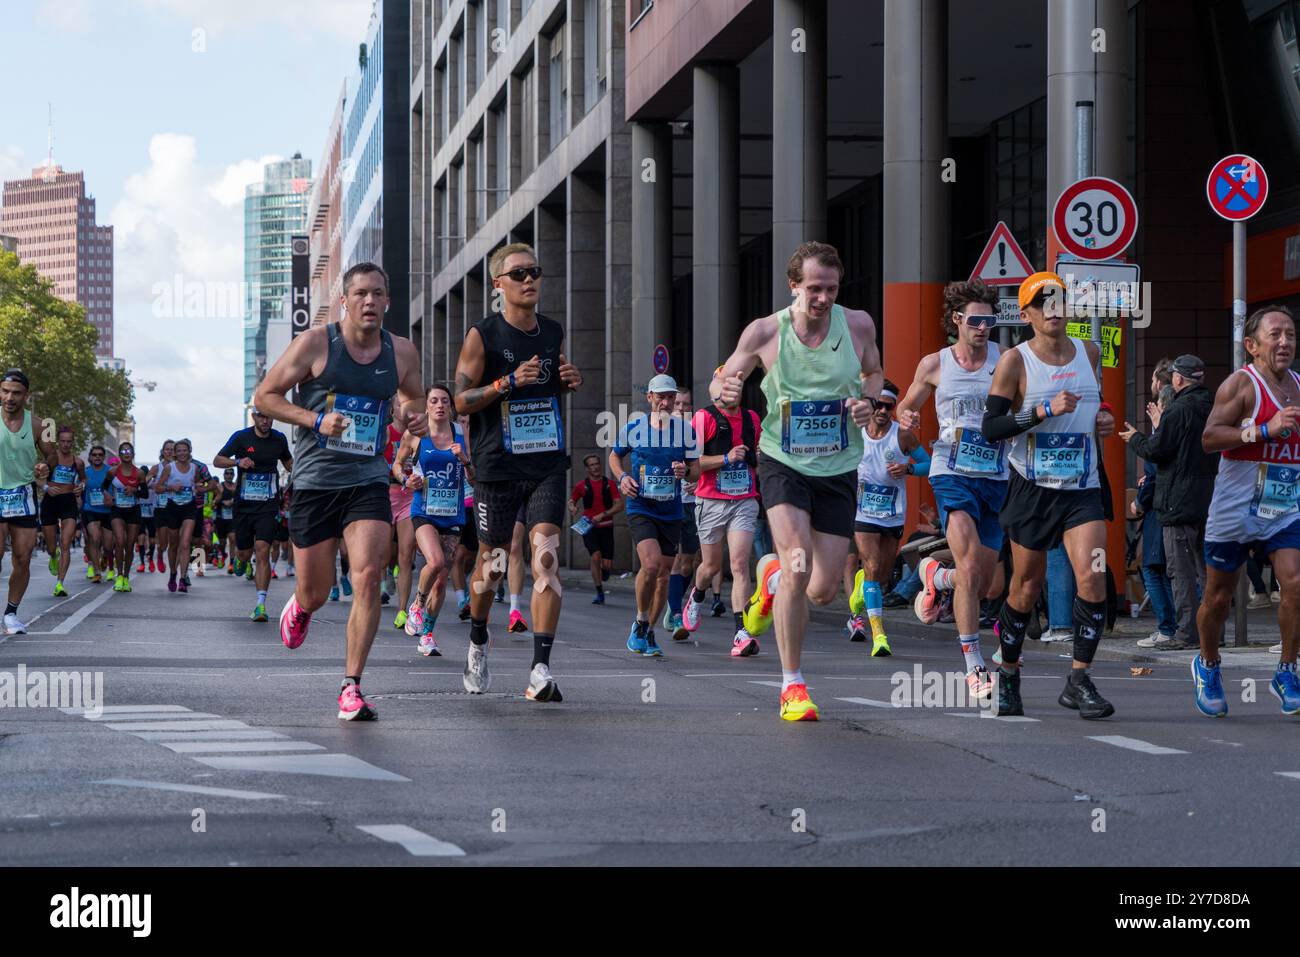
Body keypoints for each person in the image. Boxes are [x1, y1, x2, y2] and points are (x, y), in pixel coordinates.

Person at [255, 261, 426, 721]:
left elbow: (412, 397)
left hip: (367, 479)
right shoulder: (315, 344)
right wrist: (313, 420)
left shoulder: (402, 352)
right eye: (361, 294)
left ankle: (352, 686)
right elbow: (265, 397)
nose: (370, 302)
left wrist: (412, 415)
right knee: (317, 589)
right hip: (314, 481)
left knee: (369, 574)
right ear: (345, 302)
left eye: (377, 294)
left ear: (387, 302)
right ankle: (303, 606)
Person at [721, 241, 883, 721]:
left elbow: (874, 372)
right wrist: (726, 389)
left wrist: (869, 402)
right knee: (796, 565)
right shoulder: (766, 331)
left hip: (838, 467)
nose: (823, 298)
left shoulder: (858, 324)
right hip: (782, 463)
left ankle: (767, 580)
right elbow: (724, 379)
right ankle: (792, 686)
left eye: (831, 289)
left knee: (822, 590)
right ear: (794, 286)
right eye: (814, 289)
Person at [980, 272, 1117, 719]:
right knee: (1025, 585)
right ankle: (1010, 674)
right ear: (1027, 314)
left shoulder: (1089, 351)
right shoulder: (1015, 362)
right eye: (1043, 302)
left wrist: (1105, 419)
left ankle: (1079, 679)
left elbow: (1095, 401)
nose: (1053, 309)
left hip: (1083, 486)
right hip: (1032, 487)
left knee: (1093, 576)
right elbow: (992, 428)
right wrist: (1042, 410)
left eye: (1059, 300)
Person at [452, 243, 582, 702]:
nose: (529, 279)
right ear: (498, 284)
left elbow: (551, 385)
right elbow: (459, 401)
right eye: (519, 273)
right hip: (497, 466)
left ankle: (540, 669)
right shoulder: (482, 336)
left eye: (535, 271)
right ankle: (479, 638)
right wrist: (506, 383)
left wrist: (567, 378)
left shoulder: (552, 331)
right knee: (492, 566)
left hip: (546, 460)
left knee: (544, 554)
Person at [896, 279, 1007, 697]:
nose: (983, 328)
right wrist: (906, 428)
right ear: (958, 320)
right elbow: (906, 414)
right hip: (951, 470)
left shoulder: (1007, 359)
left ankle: (935, 576)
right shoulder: (935, 364)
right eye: (975, 321)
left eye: (989, 321)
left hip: (996, 475)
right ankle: (974, 665)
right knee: (971, 563)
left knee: (982, 583)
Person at [1192, 305, 1300, 717]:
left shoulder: (1298, 386)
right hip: (1235, 509)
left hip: (1283, 506)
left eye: (1290, 333)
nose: (1285, 342)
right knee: (1218, 599)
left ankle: (1287, 671)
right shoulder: (1241, 384)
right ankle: (1208, 663)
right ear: (1252, 346)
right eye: (1275, 335)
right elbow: (1209, 438)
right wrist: (1264, 430)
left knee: (1294, 582)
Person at [1120, 353, 1216, 651]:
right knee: (1205, 570)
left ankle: (1187, 632)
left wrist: (1135, 438)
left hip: (1177, 501)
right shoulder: (1213, 406)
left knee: (1181, 572)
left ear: (1177, 379)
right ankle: (1213, 631)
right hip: (1207, 498)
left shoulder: (1177, 410)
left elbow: (1158, 450)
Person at [610, 375, 701, 657]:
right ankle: (639, 621)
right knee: (649, 566)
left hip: (671, 510)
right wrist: (623, 477)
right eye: (660, 396)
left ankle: (648, 630)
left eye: (670, 397)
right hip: (641, 507)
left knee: (663, 576)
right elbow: (614, 457)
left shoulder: (685, 431)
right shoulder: (633, 427)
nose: (666, 402)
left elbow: (696, 469)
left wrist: (685, 472)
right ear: (649, 397)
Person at [680, 371, 764, 655]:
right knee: (711, 567)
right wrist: (726, 458)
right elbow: (692, 464)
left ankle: (741, 632)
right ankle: (698, 593)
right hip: (712, 501)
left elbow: (760, 454)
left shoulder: (753, 419)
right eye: (727, 386)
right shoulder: (704, 418)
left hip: (744, 499)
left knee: (740, 565)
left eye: (736, 387)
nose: (732, 392)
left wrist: (762, 455)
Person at [844, 380, 930, 657]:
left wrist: (908, 469)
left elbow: (928, 464)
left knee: (880, 577)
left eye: (888, 406)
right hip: (863, 511)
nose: (882, 410)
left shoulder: (902, 436)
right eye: (877, 404)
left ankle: (859, 597)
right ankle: (879, 634)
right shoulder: (856, 432)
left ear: (894, 408)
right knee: (871, 563)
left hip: (892, 514)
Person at [395, 383, 473, 656]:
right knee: (436, 562)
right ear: (426, 406)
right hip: (423, 510)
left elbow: (474, 477)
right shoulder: (415, 435)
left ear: (450, 406)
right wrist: (408, 479)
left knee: (441, 580)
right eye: (434, 401)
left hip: (453, 514)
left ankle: (427, 634)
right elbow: (396, 465)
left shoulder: (462, 433)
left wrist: (464, 460)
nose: (439, 405)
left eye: (444, 401)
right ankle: (416, 604)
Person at [214, 408, 294, 621]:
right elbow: (218, 460)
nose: (266, 420)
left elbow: (287, 461)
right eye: (262, 416)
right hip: (244, 507)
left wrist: (300, 469)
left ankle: (260, 604)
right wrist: (237, 462)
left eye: (269, 416)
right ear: (254, 417)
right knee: (244, 552)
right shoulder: (241, 438)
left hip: (268, 505)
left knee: (262, 549)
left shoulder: (279, 439)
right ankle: (240, 559)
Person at [0, 370, 54, 634]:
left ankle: (11, 614)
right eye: (5, 391)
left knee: (22, 558)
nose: (9, 398)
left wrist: (45, 465)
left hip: (22, 495)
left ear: (26, 396)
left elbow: (52, 455)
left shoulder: (39, 425)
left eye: (16, 393)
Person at [156, 439, 216, 594]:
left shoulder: (195, 468)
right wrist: (171, 487)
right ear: (175, 453)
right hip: (173, 508)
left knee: (186, 543)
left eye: (185, 450)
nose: (182, 453)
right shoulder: (169, 468)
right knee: (174, 544)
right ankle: (173, 574)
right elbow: (157, 487)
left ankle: (184, 577)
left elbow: (209, 484)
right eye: (179, 451)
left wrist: (201, 489)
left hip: (190, 508)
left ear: (190, 451)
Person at [569, 453, 623, 604]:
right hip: (589, 526)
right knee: (595, 556)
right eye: (591, 465)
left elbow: (619, 505)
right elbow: (571, 501)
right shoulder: (581, 486)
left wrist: (603, 514)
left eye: (597, 463)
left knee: (607, 564)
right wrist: (572, 507)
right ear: (587, 468)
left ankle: (604, 571)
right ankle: (599, 592)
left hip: (606, 526)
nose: (595, 467)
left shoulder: (609, 484)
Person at [40, 425, 84, 597]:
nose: (66, 445)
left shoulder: (78, 462)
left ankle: (60, 583)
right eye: (63, 441)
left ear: (73, 442)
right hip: (50, 501)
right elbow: (36, 476)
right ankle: (52, 555)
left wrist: (81, 487)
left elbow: (83, 479)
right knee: (52, 546)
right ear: (59, 442)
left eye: (69, 442)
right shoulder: (52, 458)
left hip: (68, 502)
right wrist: (45, 487)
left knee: (65, 543)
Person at [384, 422, 418, 630]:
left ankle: (402, 610)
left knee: (406, 555)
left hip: (410, 496)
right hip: (388, 493)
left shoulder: (420, 432)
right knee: (385, 552)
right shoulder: (386, 430)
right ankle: (387, 572)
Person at [103, 442, 145, 592]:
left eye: (129, 451)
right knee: (119, 541)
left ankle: (126, 577)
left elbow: (145, 494)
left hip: (133, 511)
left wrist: (134, 490)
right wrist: (107, 495)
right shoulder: (113, 472)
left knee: (129, 545)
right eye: (123, 451)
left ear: (133, 454)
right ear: (119, 454)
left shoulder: (139, 473)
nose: (126, 453)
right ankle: (119, 575)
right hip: (117, 510)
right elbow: (104, 486)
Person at [81, 444, 113, 583]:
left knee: (108, 546)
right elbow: (79, 489)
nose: (97, 457)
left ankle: (105, 556)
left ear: (104, 457)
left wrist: (112, 499)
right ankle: (96, 571)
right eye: (94, 455)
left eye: (100, 455)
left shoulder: (110, 471)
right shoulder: (85, 472)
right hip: (90, 509)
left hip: (107, 510)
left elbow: (117, 489)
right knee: (94, 538)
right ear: (90, 457)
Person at [149, 440, 175, 575]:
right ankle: (160, 553)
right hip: (160, 507)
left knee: (176, 540)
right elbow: (145, 482)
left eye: (172, 449)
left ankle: (175, 571)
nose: (170, 451)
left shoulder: (179, 467)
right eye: (167, 449)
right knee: (164, 543)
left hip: (176, 507)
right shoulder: (156, 468)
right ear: (163, 452)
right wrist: (152, 484)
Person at [214, 468, 236, 572]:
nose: (229, 475)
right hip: (220, 518)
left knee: (232, 539)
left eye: (231, 473)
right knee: (222, 543)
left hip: (232, 518)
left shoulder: (236, 487)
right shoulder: (219, 486)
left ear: (234, 475)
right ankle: (223, 555)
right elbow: (214, 502)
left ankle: (231, 563)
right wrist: (222, 497)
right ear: (224, 475)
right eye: (227, 473)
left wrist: (233, 501)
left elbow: (240, 499)